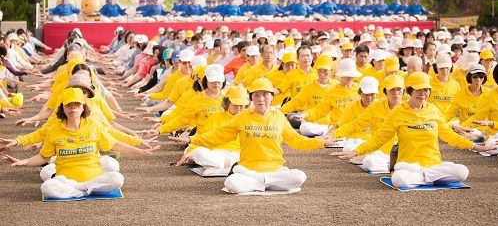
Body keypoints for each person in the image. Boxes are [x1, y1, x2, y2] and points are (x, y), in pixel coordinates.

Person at [170, 78, 335, 193]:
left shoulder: (278, 117)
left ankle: (261, 183)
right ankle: (268, 184)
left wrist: (320, 142)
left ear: (271, 97)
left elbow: (297, 141)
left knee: (300, 176)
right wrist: (191, 139)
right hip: (249, 169)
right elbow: (219, 135)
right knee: (231, 182)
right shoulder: (243, 117)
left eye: (265, 94)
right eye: (256, 95)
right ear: (251, 98)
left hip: (275, 169)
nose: (261, 99)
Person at [331, 72, 494, 188]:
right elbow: (379, 138)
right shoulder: (398, 112)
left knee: (462, 172)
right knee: (399, 179)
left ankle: (424, 177)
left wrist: (474, 146)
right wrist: (356, 151)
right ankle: (430, 178)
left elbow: (449, 136)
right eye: (419, 90)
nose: (423, 94)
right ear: (409, 91)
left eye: (426, 90)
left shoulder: (433, 110)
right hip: (408, 164)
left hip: (431, 164)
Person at [0, 88, 157, 199]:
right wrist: (24, 161)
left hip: (93, 177)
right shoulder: (55, 129)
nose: (73, 107)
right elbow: (43, 156)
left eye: (77, 104)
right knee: (47, 187)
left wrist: (140, 150)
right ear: (63, 108)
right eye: (69, 104)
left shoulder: (93, 124)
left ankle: (79, 189)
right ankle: (83, 191)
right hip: (66, 179)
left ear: (83, 107)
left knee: (117, 178)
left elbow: (115, 143)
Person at [174, 86, 249, 174]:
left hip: (240, 154)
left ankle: (221, 167)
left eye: (241, 105)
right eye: (235, 104)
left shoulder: (250, 118)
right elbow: (203, 137)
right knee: (198, 153)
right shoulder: (215, 117)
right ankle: (231, 166)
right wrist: (191, 152)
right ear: (228, 103)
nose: (239, 108)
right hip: (218, 153)